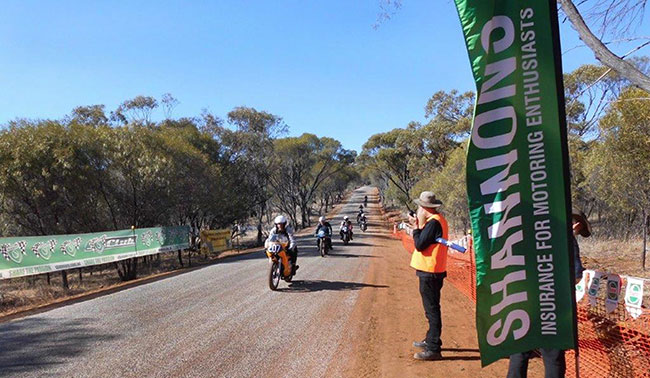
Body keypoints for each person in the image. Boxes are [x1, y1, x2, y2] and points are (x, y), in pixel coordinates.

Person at [506, 208, 591, 378]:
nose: (578, 232)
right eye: (580, 230)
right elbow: (575, 276)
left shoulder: (531, 233)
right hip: (552, 304)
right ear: (577, 223)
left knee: (520, 351)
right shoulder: (567, 239)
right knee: (553, 356)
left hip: (525, 300)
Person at [408, 191, 448, 361]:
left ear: (425, 208)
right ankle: (430, 339)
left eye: (419, 207)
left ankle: (433, 349)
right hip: (433, 270)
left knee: (432, 310)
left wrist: (416, 228)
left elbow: (420, 244)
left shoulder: (433, 224)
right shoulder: (436, 221)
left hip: (430, 272)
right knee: (431, 309)